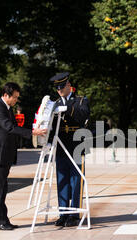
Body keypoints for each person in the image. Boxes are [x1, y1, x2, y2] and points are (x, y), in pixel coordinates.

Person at [0, 82, 47, 230]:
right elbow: (10, 128)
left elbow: (15, 127)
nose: (16, 100)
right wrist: (33, 133)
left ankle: (3, 219)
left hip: (4, 155)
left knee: (2, 189)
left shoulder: (7, 108)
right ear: (6, 95)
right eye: (14, 97)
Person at [48, 72, 90, 227]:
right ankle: (63, 213)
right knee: (62, 180)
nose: (59, 90)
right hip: (61, 144)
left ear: (68, 85)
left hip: (77, 143)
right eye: (57, 88)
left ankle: (74, 214)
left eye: (61, 87)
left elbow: (83, 116)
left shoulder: (81, 100)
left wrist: (66, 108)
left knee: (76, 180)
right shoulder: (55, 103)